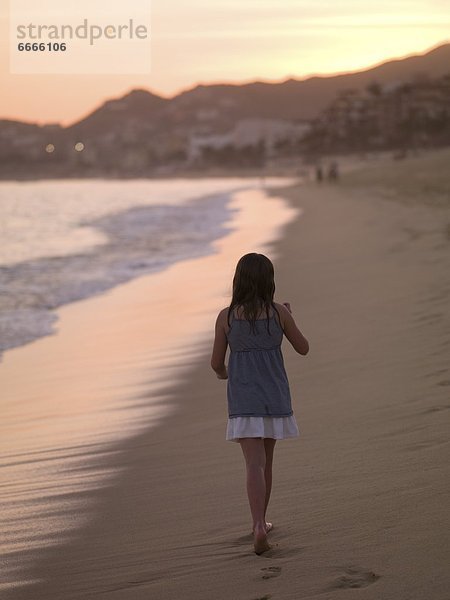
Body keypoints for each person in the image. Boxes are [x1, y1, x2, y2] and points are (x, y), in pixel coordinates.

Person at [210, 253, 309, 555]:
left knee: (253, 464)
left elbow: (216, 363)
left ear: (238, 281)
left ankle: (256, 524)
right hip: (274, 398)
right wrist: (288, 317)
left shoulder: (226, 317)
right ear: (269, 281)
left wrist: (225, 373)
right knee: (267, 463)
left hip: (243, 400)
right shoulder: (278, 313)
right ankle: (262, 523)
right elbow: (303, 348)